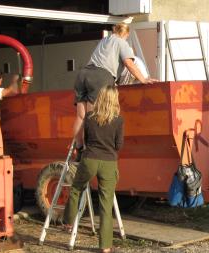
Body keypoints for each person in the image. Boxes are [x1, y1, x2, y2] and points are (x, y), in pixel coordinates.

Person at [73, 23, 157, 156]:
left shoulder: (104, 40)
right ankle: (90, 151)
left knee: (81, 116)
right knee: (94, 116)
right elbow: (129, 63)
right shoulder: (122, 43)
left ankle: (78, 147)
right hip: (101, 77)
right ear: (126, 34)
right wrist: (143, 79)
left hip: (84, 74)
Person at [64, 84, 123, 253]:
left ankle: (67, 221)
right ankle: (105, 247)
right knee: (106, 204)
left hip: (90, 159)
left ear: (101, 98)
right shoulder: (119, 120)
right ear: (114, 100)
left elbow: (86, 140)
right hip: (109, 162)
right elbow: (118, 145)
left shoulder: (89, 117)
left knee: (76, 188)